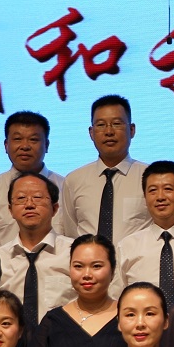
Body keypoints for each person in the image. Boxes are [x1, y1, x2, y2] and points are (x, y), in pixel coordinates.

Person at [61, 95, 149, 241]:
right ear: (91, 133)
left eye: (117, 123)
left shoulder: (149, 178)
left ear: (132, 130)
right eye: (101, 125)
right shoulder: (74, 180)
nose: (109, 132)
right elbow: (70, 235)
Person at [115, 159, 174, 303]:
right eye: (152, 190)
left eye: (168, 189)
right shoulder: (127, 247)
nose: (160, 197)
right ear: (145, 198)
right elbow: (116, 299)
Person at [0, 171, 74, 328]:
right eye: (21, 198)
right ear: (10, 210)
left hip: (63, 339)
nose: (29, 205)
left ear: (55, 208)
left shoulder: (73, 253)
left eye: (38, 197)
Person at [0, 111, 51, 247]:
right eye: (17, 139)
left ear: (46, 145)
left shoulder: (65, 187)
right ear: (6, 145)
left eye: (33, 139)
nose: (25, 146)